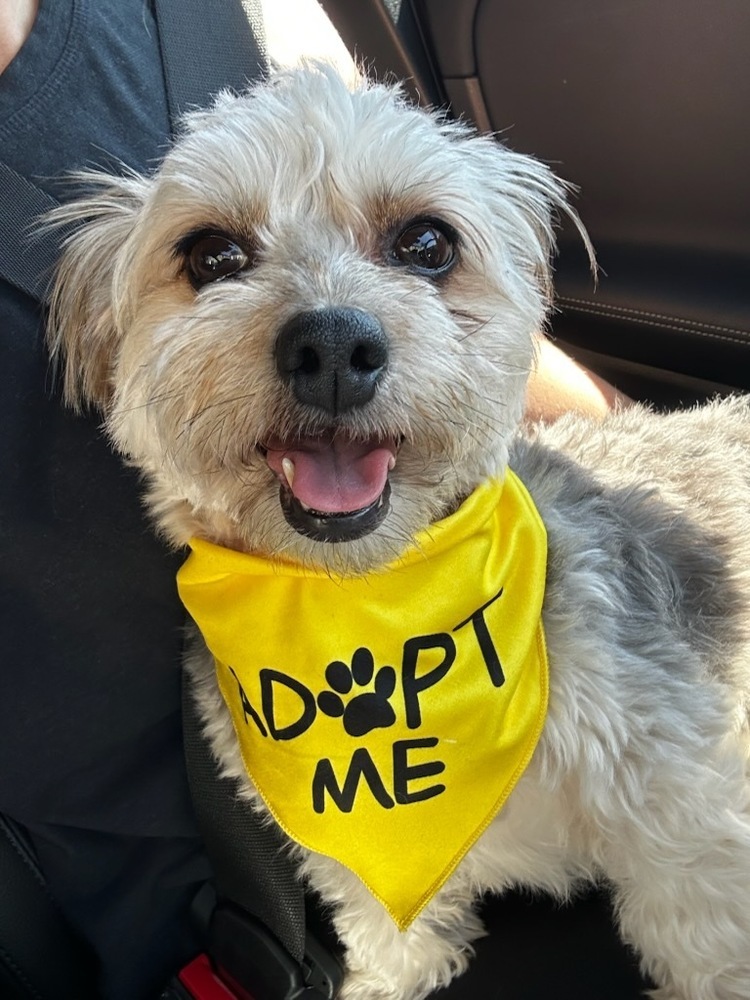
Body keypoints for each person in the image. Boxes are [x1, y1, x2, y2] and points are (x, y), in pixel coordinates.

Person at [0, 2, 633, 997]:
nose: (331, 334)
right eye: (215, 259)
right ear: (100, 339)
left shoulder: (195, 12)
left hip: (517, 710)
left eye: (416, 246)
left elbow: (489, 293)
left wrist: (617, 426)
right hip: (198, 905)